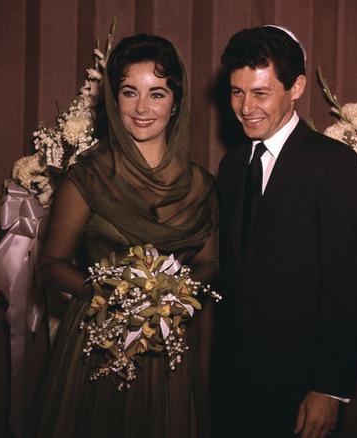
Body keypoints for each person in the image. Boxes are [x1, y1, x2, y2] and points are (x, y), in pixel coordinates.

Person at [25, 34, 218, 437]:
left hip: (170, 345)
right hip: (98, 342)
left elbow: (208, 261)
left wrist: (168, 294)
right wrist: (115, 295)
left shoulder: (202, 184)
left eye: (157, 93)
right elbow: (51, 264)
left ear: (176, 102)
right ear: (114, 100)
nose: (142, 108)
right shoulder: (87, 176)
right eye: (130, 92)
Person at [209, 25, 357, 438]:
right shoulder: (231, 166)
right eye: (236, 92)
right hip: (234, 384)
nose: (245, 107)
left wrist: (330, 388)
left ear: (297, 87)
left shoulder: (333, 165)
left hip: (301, 386)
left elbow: (349, 287)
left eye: (260, 93)